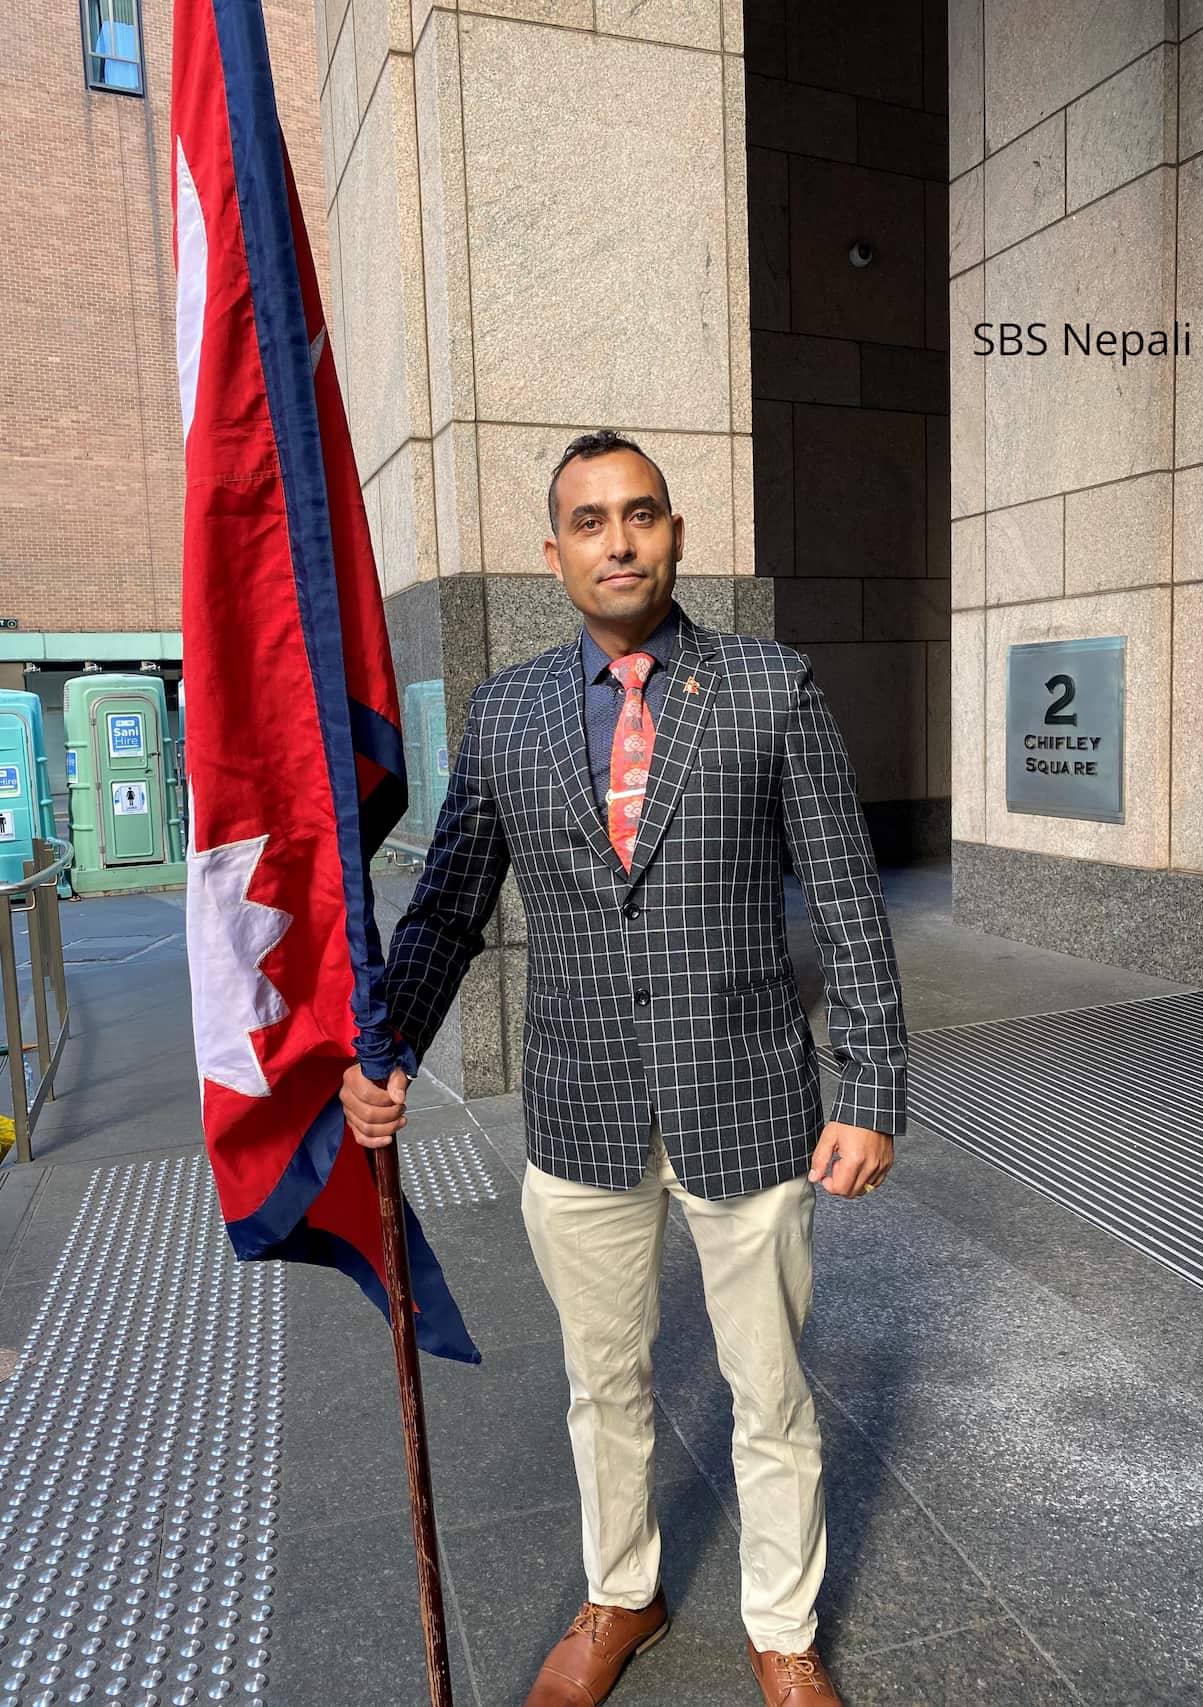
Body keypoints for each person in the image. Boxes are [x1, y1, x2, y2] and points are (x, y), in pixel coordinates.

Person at [340, 429, 909, 1706]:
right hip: (581, 1112)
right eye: (589, 521)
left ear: (675, 536)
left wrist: (868, 1090)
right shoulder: (506, 711)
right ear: (553, 556)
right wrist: (385, 1048)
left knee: (768, 1391)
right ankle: (622, 1594)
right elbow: (444, 909)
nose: (618, 540)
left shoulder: (770, 686)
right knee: (603, 1389)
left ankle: (782, 1627)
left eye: (639, 515)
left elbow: (845, 894)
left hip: (750, 1104)